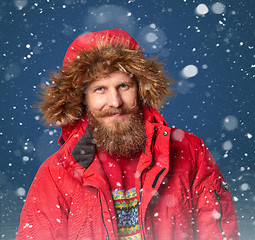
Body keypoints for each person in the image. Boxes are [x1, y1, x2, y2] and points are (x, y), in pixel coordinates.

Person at [17, 29, 239, 240]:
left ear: (140, 88)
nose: (115, 102)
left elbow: (217, 232)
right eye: (100, 89)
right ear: (83, 97)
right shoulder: (55, 173)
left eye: (123, 86)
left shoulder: (190, 151)